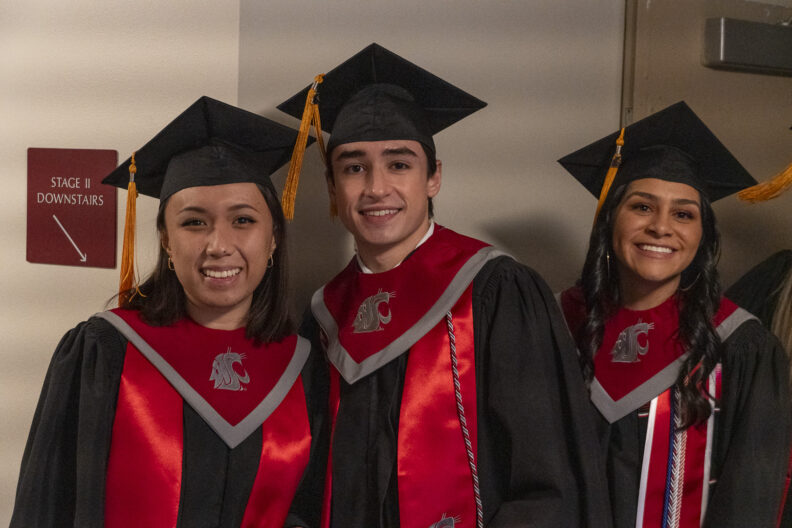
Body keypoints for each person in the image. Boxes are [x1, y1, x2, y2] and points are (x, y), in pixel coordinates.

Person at [277, 43, 610, 528]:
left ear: (434, 177)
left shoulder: (497, 292)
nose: (375, 188)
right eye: (353, 167)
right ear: (332, 188)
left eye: (399, 164)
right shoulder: (324, 317)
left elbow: (547, 486)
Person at [10, 96, 327, 528]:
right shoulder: (106, 352)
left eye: (243, 220)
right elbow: (46, 509)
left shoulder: (305, 368)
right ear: (165, 240)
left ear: (273, 239)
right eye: (194, 222)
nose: (218, 245)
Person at [557, 101, 791, 527]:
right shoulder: (557, 323)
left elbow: (750, 499)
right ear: (610, 220)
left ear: (702, 236)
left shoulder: (741, 345)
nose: (661, 227)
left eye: (684, 214)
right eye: (641, 207)